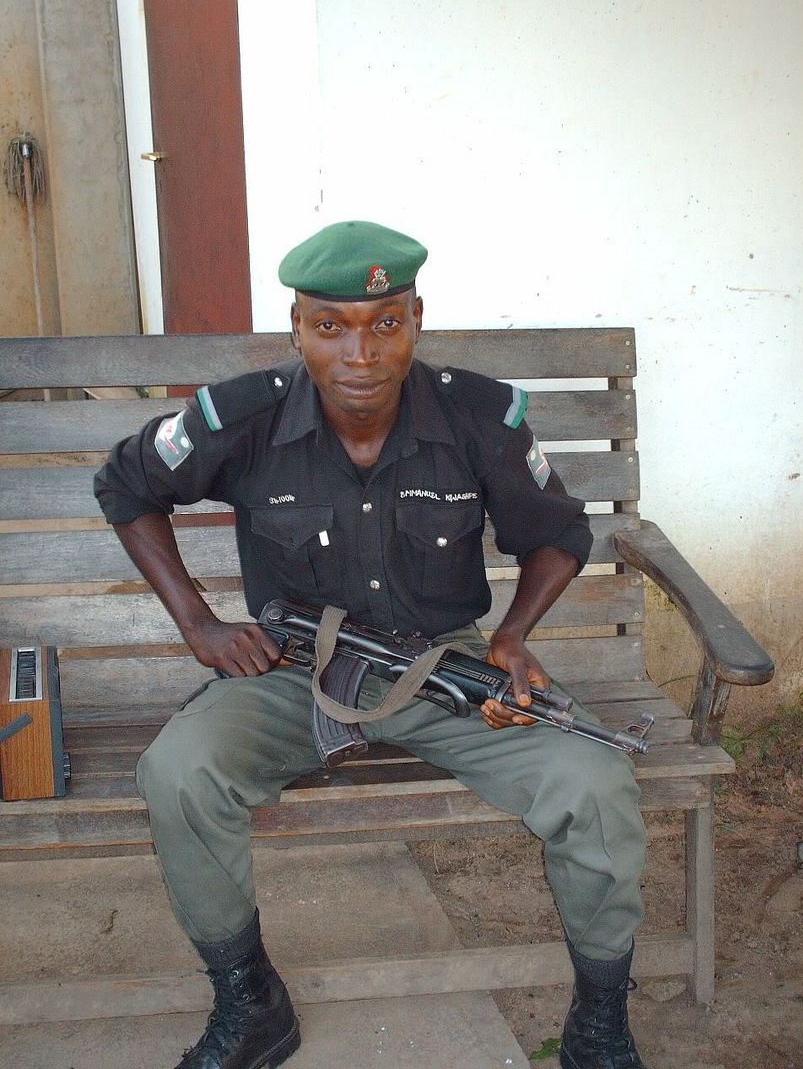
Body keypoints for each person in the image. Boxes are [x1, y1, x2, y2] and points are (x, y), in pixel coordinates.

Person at [94, 220, 648, 1069]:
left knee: (595, 782)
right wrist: (199, 624)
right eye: (331, 326)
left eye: (385, 323)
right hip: (291, 671)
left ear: (416, 320)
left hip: (443, 669)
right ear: (297, 329)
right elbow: (126, 485)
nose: (360, 353)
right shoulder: (243, 418)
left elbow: (557, 532)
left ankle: (600, 1024)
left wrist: (512, 635)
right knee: (179, 773)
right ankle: (250, 1003)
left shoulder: (477, 417)